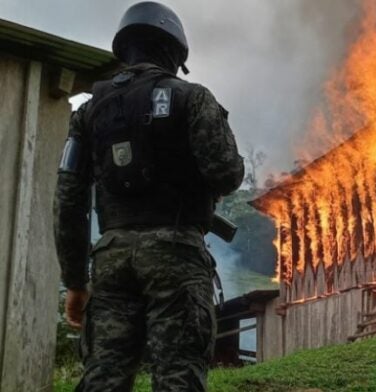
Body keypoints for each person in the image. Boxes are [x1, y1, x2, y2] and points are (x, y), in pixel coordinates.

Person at [53, 2, 245, 390]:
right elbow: (226, 172)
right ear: (174, 52)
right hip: (177, 259)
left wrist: (75, 281)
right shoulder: (193, 99)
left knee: (102, 378)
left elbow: (68, 199)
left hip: (112, 261)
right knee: (178, 378)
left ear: (125, 50)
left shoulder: (88, 113)